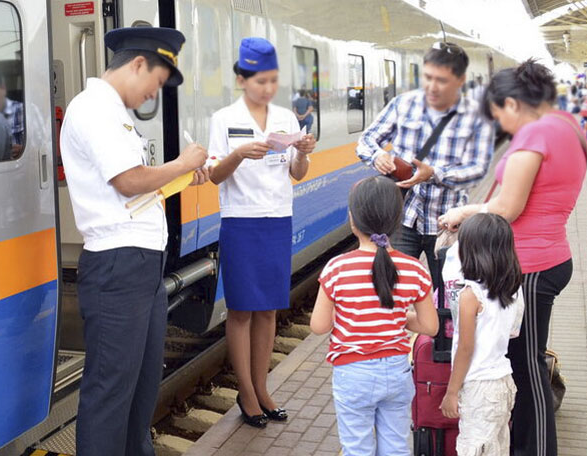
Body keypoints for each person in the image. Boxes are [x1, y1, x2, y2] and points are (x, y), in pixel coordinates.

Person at [59, 26, 210, 456]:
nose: (152, 95)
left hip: (140, 266)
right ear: (139, 64)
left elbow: (139, 187)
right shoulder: (93, 108)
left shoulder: (115, 114)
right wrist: (180, 162)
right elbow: (127, 181)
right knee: (111, 390)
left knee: (141, 387)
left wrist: (179, 174)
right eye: (156, 84)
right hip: (116, 266)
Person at [440, 59, 587, 456]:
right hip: (543, 256)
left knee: (528, 369)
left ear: (514, 103)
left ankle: (537, 449)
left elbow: (507, 208)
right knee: (526, 364)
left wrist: (463, 214)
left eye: (499, 114)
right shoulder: (566, 125)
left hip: (534, 264)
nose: (501, 126)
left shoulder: (536, 134)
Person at [207, 37, 317, 429]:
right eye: (259, 81)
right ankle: (247, 393)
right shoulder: (223, 119)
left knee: (269, 308)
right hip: (240, 221)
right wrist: (238, 154)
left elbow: (297, 172)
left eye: (272, 81)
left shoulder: (287, 117)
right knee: (240, 310)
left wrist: (303, 150)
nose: (267, 89)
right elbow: (214, 176)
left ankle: (263, 386)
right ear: (241, 79)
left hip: (277, 218)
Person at [310, 175, 439, 456]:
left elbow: (319, 326)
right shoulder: (414, 269)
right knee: (395, 447)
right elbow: (430, 326)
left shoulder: (337, 268)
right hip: (396, 372)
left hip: (353, 373)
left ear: (352, 219)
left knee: (357, 449)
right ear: (398, 220)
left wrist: (352, 314)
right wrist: (400, 317)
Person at [355, 41, 496, 296]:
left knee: (447, 295)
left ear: (460, 80)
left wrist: (435, 174)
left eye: (441, 80)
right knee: (391, 291)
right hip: (403, 218)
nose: (432, 86)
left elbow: (477, 170)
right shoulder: (403, 104)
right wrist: (377, 156)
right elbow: (366, 140)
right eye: (427, 77)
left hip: (447, 224)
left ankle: (439, 336)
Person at [439, 214, 524, 456]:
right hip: (504, 381)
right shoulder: (514, 286)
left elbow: (466, 348)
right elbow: (513, 330)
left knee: (474, 449)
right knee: (497, 448)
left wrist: (452, 392)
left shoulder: (471, 294)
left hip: (479, 389)